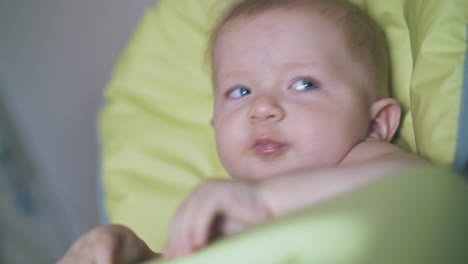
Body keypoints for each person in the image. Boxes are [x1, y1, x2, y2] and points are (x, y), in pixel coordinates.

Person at [58, 0, 423, 262]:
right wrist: (137, 253)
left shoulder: (361, 159)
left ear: (376, 124)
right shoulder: (223, 211)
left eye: (303, 84)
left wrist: (265, 203)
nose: (260, 107)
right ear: (216, 126)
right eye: (240, 92)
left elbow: (416, 185)